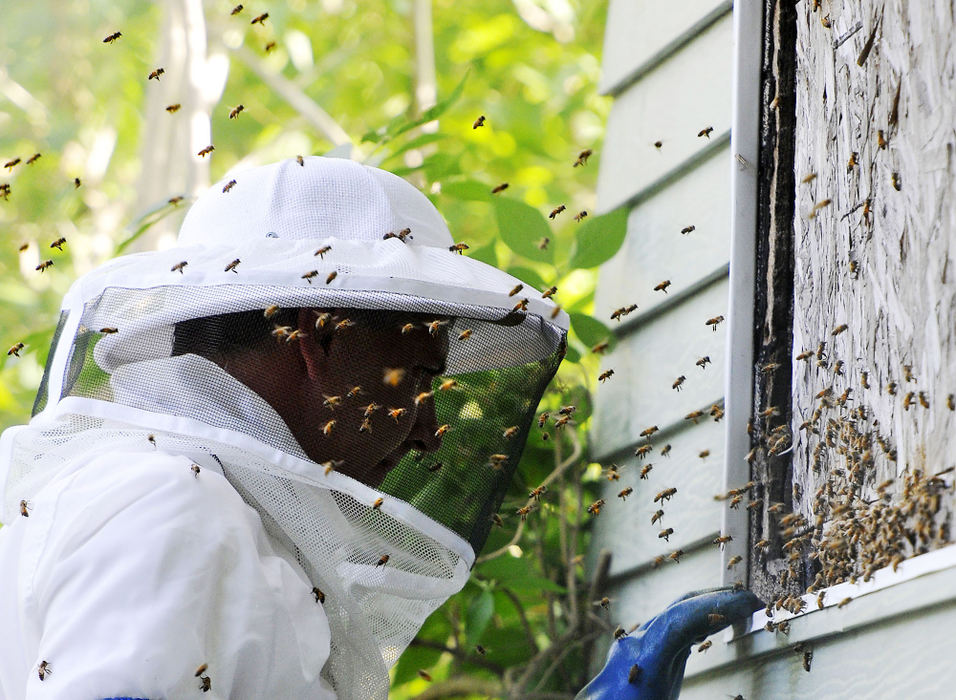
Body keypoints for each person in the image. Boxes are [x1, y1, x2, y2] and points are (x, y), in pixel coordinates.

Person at [0, 156, 758, 699]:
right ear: (319, 335)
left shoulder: (186, 504)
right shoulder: (170, 505)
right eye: (421, 379)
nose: (430, 431)